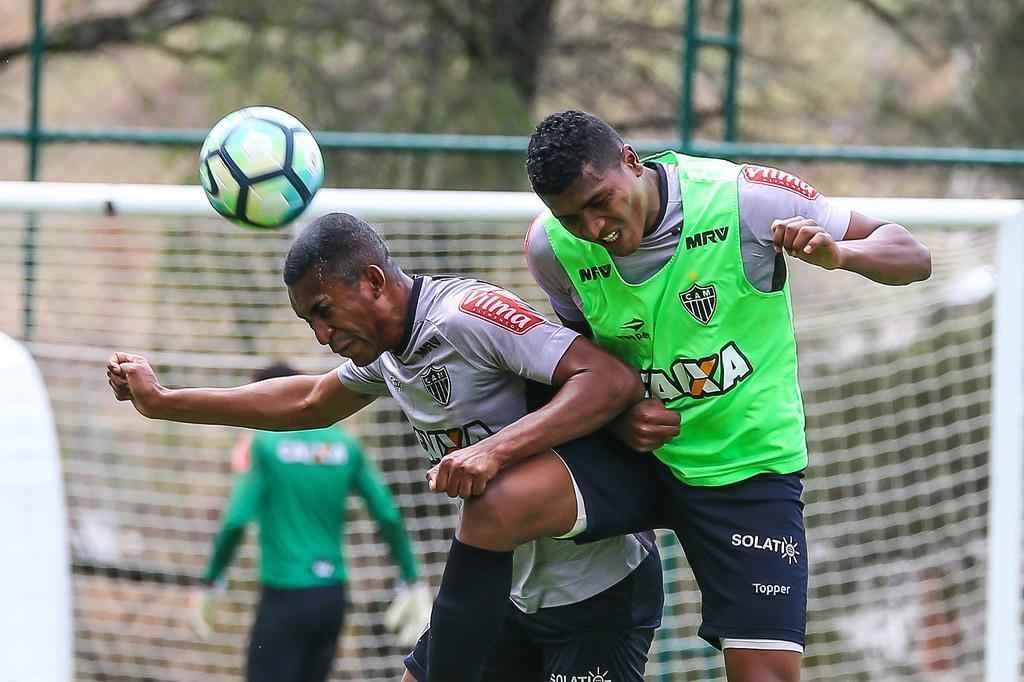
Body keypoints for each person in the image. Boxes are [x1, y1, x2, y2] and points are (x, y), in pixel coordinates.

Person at [420, 109, 932, 682]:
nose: (593, 228)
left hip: (745, 467)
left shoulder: (746, 199)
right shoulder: (551, 249)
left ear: (632, 162)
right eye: (572, 217)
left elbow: (910, 254)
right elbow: (585, 363)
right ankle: (439, 667)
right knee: (499, 503)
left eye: (600, 201)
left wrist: (844, 256)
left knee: (766, 674)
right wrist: (620, 421)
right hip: (635, 457)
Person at [106, 212, 665, 682]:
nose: (320, 335)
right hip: (511, 592)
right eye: (308, 321)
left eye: (324, 310)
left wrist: (494, 452)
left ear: (373, 280)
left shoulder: (465, 316)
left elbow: (608, 380)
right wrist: (166, 401)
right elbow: (308, 402)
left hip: (597, 591)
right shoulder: (389, 354)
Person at [187, 360, 428, 682]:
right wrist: (412, 579)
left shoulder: (265, 445)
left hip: (284, 594)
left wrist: (211, 581)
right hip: (333, 597)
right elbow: (386, 514)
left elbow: (235, 520)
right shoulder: (345, 444)